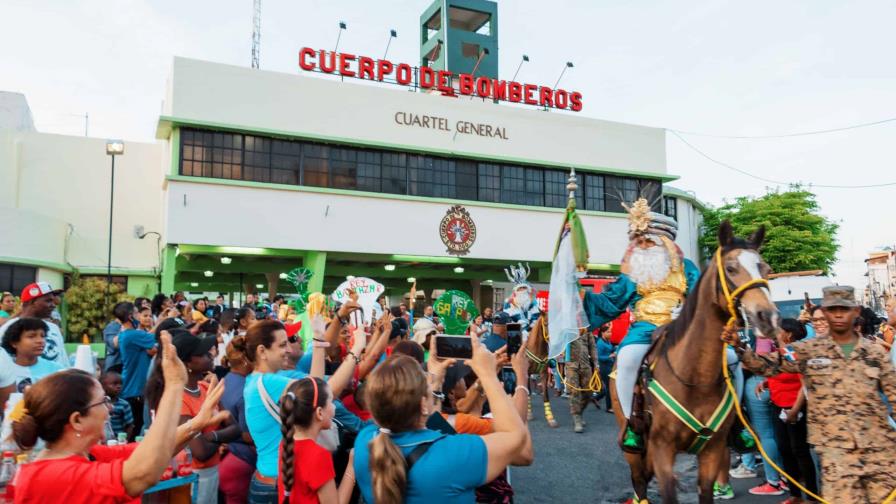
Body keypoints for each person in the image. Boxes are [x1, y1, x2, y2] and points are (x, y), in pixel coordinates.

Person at [9, 331, 229, 503]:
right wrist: (173, 387)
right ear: (77, 420)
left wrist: (195, 424)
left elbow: (148, 451)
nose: (110, 409)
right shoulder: (52, 475)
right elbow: (143, 472)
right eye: (103, 402)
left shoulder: (89, 454)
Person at [724, 286, 896, 502]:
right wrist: (739, 347)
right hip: (835, 451)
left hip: (877, 449)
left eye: (844, 308)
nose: (839, 314)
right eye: (832, 310)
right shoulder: (809, 350)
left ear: (856, 311)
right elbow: (769, 366)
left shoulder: (875, 352)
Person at [580, 199, 700, 453]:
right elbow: (610, 302)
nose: (641, 247)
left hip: (685, 328)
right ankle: (631, 424)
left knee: (729, 357)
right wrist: (579, 292)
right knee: (626, 358)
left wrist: (688, 310)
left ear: (665, 241)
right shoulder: (633, 273)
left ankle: (736, 424)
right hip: (645, 328)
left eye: (646, 241)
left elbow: (702, 297)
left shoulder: (687, 268)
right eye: (639, 242)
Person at [353, 337, 528, 504]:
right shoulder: (453, 453)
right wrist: (488, 374)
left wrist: (435, 380)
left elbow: (428, 420)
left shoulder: (365, 440)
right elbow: (516, 437)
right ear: (423, 404)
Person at [242, 311, 365, 503]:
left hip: (273, 481)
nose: (289, 350)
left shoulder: (264, 379)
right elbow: (322, 392)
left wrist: (318, 340)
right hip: (275, 485)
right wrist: (356, 350)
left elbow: (315, 386)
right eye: (282, 345)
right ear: (262, 351)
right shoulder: (268, 382)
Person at [762, 318, 817, 504]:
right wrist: (765, 383)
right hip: (778, 407)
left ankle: (812, 495)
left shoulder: (795, 354)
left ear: (788, 334)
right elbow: (779, 374)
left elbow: (804, 384)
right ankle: (795, 494)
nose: (775, 333)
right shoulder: (778, 353)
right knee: (785, 450)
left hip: (795, 408)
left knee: (800, 451)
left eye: (778, 330)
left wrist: (795, 409)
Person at [278, 377, 355, 504]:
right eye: (331, 402)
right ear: (319, 412)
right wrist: (351, 466)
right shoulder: (318, 455)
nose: (334, 408)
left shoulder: (286, 443)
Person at [219, 336, 257, 504]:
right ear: (245, 361)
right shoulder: (246, 390)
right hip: (241, 463)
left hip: (228, 460)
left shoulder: (225, 380)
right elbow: (248, 436)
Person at [0, 282, 68, 367]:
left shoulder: (54, 328)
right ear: (32, 302)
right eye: (48, 301)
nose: (53, 305)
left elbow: (64, 362)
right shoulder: (10, 328)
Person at [117, 302, 158, 437]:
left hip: (134, 391)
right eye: (137, 313)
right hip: (134, 392)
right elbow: (156, 338)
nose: (139, 316)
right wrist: (162, 321)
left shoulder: (130, 335)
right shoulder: (132, 335)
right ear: (130, 317)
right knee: (137, 430)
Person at [1, 317, 65, 392]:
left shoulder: (56, 370)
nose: (40, 341)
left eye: (43, 336)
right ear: (14, 343)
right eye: (31, 336)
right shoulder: (5, 371)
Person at [565, 328, 597, 433]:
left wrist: (596, 363)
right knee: (574, 392)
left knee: (588, 392)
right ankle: (577, 418)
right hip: (572, 365)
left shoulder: (587, 329)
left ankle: (579, 412)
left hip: (585, 365)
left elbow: (592, 346)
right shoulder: (567, 327)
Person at [100, 371, 135, 441]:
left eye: (120, 384)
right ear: (103, 386)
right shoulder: (98, 404)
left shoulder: (124, 404)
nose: (119, 386)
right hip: (101, 440)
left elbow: (130, 425)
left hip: (117, 441)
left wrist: (125, 440)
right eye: (114, 384)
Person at [595, 325, 615, 412]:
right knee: (609, 387)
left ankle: (596, 398)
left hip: (610, 366)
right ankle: (609, 407)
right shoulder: (600, 343)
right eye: (608, 332)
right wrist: (610, 356)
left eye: (611, 332)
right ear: (603, 333)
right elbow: (599, 357)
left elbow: (611, 349)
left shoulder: (608, 341)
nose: (610, 334)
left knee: (609, 386)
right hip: (604, 367)